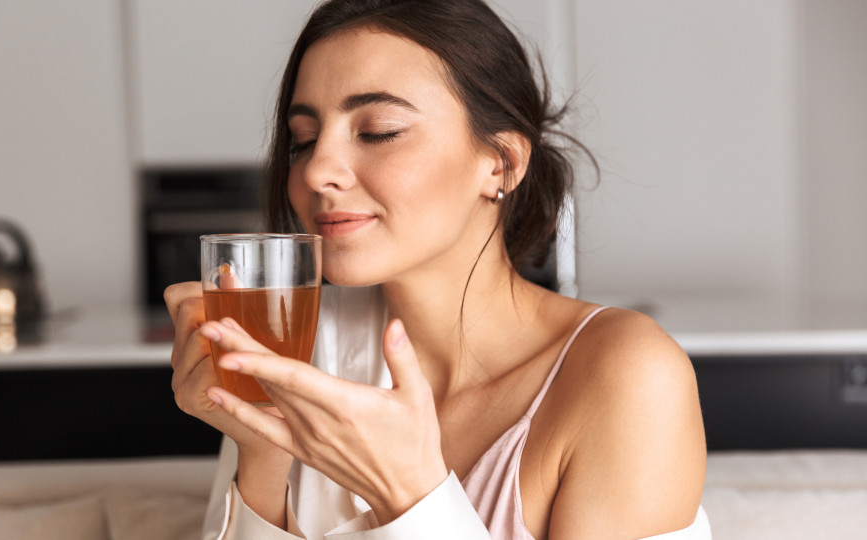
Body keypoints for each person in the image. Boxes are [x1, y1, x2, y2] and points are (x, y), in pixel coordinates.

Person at [164, 0, 711, 538]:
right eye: (304, 142)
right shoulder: (295, 347)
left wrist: (410, 499)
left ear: (501, 162)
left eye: (378, 130)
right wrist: (262, 452)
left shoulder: (628, 376)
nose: (317, 171)